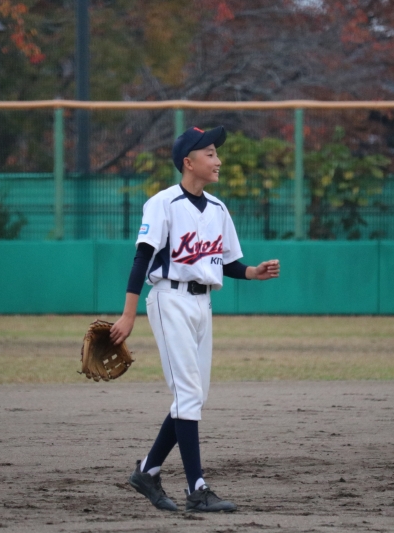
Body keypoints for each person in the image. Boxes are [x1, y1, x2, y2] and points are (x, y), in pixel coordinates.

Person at [109, 125, 281, 513]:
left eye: (217, 153)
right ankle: (197, 489)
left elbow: (227, 263)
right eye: (210, 153)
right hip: (169, 300)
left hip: (203, 305)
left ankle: (148, 472)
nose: (218, 160)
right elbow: (142, 258)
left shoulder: (217, 209)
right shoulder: (164, 203)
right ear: (188, 162)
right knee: (188, 395)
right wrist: (128, 314)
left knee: (194, 397)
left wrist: (253, 272)